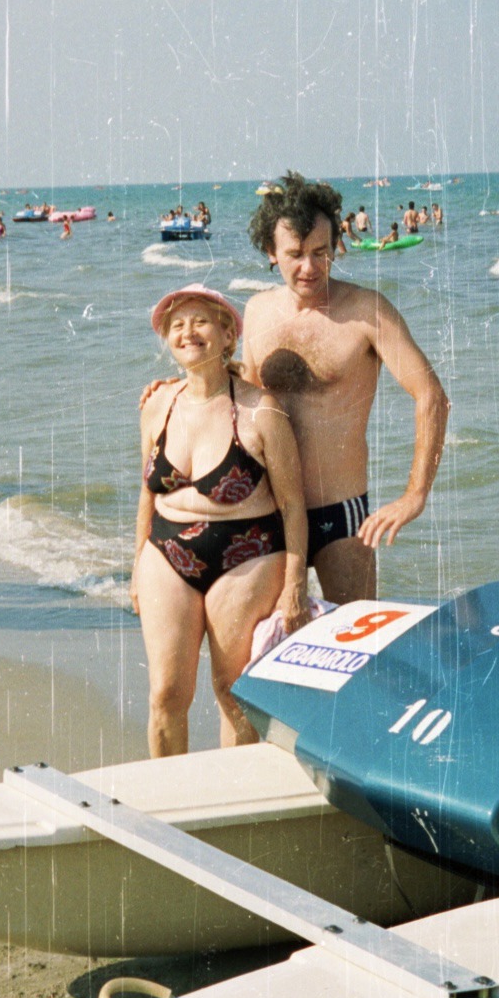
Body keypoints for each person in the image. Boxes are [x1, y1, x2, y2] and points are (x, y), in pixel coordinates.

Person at [243, 173, 449, 604]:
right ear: (271, 252)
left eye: (321, 252)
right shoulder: (257, 311)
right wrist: (173, 392)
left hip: (340, 514)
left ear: (336, 245)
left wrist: (415, 496)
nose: (309, 267)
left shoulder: (366, 310)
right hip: (268, 511)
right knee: (265, 640)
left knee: (358, 636)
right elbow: (243, 403)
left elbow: (431, 395)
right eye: (295, 254)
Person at [132, 284, 309, 757]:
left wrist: (295, 585)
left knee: (232, 693)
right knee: (166, 694)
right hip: (165, 553)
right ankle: (166, 793)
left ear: (229, 334)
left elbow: (293, 506)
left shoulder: (261, 411)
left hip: (247, 556)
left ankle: (230, 790)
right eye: (177, 325)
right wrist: (136, 566)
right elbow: (147, 492)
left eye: (200, 322)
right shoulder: (157, 404)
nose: (188, 332)